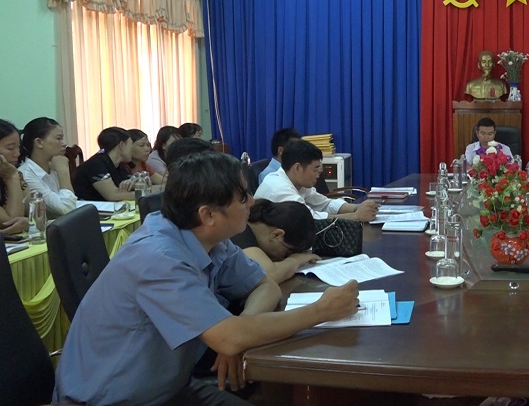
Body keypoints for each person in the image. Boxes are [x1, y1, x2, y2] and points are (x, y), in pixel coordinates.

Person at [53, 151, 359, 405]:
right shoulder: (158, 258)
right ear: (208, 214)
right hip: (113, 399)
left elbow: (265, 285)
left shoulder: (206, 237)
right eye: (243, 197)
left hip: (169, 388)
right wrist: (321, 311)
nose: (252, 202)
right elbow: (229, 337)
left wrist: (240, 330)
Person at [255, 140, 379, 222]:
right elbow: (310, 220)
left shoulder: (297, 181)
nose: (319, 174)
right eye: (315, 169)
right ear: (297, 168)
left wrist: (357, 207)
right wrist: (356, 216)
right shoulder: (280, 189)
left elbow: (324, 204)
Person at [231, 200, 320, 284]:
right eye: (286, 254)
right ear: (277, 235)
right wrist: (296, 259)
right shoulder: (240, 231)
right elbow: (267, 277)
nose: (282, 260)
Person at [18, 117, 77, 218]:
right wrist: (63, 172)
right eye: (59, 138)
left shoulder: (52, 165)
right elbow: (67, 209)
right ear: (39, 143)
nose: (64, 144)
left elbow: (71, 203)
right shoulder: (26, 175)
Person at [72, 127, 135, 202]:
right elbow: (113, 195)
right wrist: (143, 193)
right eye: (131, 145)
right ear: (122, 145)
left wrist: (135, 184)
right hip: (90, 207)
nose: (133, 149)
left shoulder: (118, 164)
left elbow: (131, 184)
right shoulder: (96, 164)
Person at [0, 119, 28, 235]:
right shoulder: (12, 174)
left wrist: (29, 222)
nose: (17, 153)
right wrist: (11, 178)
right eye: (10, 148)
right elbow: (11, 224)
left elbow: (37, 212)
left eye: (18, 147)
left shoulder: (14, 172)